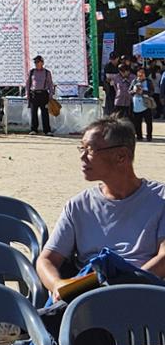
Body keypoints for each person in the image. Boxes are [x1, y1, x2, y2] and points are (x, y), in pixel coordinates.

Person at [37, 117, 165, 301]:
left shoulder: (160, 200)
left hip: (142, 293)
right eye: (81, 148)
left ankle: (29, 326)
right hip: (89, 294)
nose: (82, 156)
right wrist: (57, 284)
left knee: (106, 265)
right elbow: (46, 260)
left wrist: (125, 285)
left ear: (121, 156)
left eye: (90, 149)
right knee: (96, 270)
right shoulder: (78, 206)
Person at [26, 55, 56, 136]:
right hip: (34, 94)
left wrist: (51, 95)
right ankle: (34, 129)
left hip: (43, 94)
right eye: (35, 62)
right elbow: (28, 84)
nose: (36, 64)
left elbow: (50, 84)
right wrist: (27, 94)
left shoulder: (47, 72)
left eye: (38, 62)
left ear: (42, 63)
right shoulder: (32, 72)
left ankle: (47, 130)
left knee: (45, 112)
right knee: (33, 112)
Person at [131, 67, 154, 141]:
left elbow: (152, 92)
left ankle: (149, 136)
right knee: (137, 122)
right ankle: (139, 136)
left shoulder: (148, 81)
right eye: (139, 72)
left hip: (146, 104)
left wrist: (143, 92)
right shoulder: (134, 81)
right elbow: (129, 91)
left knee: (148, 122)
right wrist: (134, 91)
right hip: (136, 104)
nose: (141, 74)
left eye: (142, 73)